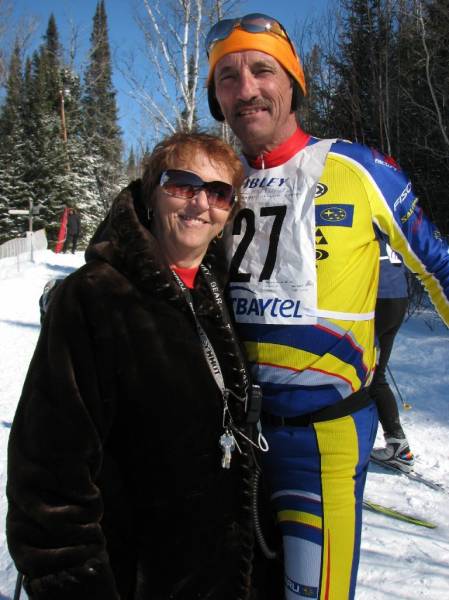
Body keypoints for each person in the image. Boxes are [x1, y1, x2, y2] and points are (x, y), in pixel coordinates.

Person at [205, 13, 449, 600]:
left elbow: (439, 265)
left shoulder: (357, 168)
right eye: (227, 78)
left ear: (293, 83)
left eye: (262, 70)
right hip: (232, 444)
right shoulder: (215, 183)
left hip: (323, 441)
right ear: (216, 99)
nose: (246, 88)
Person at [6, 132, 261, 600]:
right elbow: (48, 475)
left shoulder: (218, 293)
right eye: (182, 185)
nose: (200, 204)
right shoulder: (96, 297)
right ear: (151, 192)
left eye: (218, 193)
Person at [370, 239, 414, 472]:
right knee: (375, 375)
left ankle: (347, 442)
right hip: (397, 296)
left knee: (355, 372)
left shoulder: (362, 219)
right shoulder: (386, 223)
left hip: (377, 297)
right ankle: (397, 444)